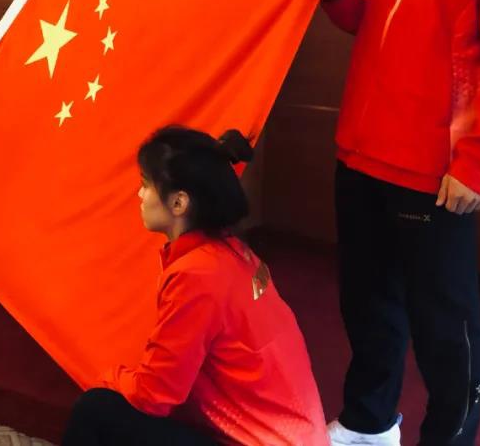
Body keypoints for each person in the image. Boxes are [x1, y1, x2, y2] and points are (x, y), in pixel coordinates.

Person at [319, 0, 480, 446]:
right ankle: (369, 423)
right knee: (366, 304)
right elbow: (379, 28)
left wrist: (477, 163)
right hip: (361, 154)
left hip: (434, 170)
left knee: (443, 324)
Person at [62, 126, 328, 446]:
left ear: (179, 203)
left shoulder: (197, 275)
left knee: (95, 408)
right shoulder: (235, 253)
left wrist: (107, 379)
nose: (140, 195)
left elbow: (155, 394)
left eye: (146, 185)